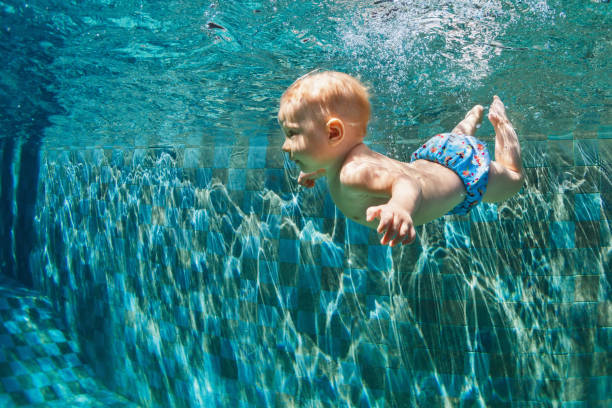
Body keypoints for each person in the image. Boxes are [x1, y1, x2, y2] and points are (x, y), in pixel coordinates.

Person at [278, 71, 524, 247]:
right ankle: (470, 120)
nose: (284, 146)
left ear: (334, 133)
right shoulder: (342, 162)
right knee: (457, 139)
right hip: (439, 156)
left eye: (292, 134)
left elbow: (407, 183)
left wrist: (400, 207)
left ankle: (500, 123)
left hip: (465, 175)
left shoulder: (353, 172)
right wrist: (320, 168)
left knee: (513, 180)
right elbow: (341, 161)